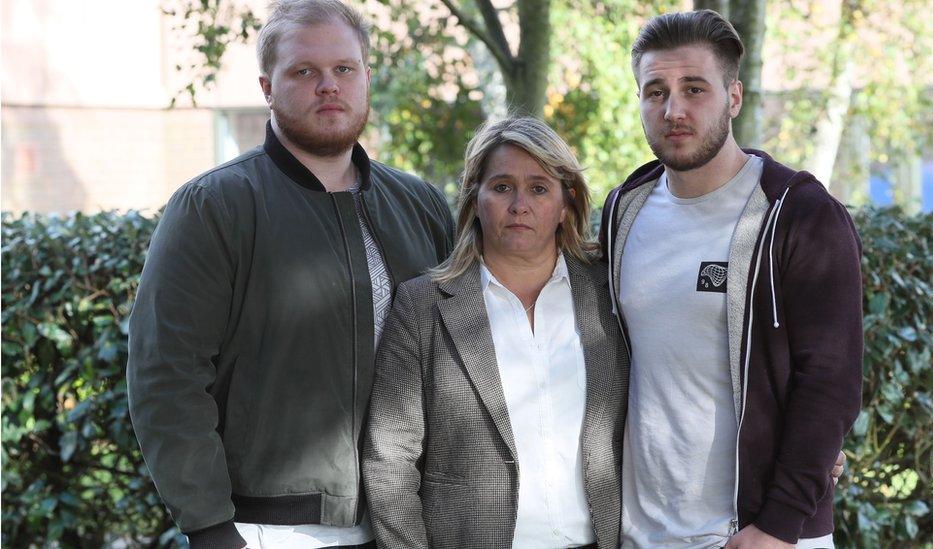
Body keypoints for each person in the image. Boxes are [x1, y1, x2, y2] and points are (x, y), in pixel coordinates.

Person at [126, 1, 454, 547]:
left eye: (344, 69)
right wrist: (209, 525)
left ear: (366, 78)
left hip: (407, 521)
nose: (329, 86)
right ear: (267, 86)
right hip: (268, 528)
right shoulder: (213, 207)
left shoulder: (419, 204)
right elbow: (167, 373)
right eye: (304, 71)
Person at [599, 9, 863, 549]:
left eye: (694, 89)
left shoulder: (799, 215)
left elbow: (831, 381)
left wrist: (779, 526)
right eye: (655, 91)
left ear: (734, 98)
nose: (673, 109)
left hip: (759, 535)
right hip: (642, 533)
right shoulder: (623, 211)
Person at [362, 117, 629, 548]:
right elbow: (389, 460)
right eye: (502, 187)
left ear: (566, 203)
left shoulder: (608, 295)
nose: (519, 204)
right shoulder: (422, 307)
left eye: (539, 188)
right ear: (475, 199)